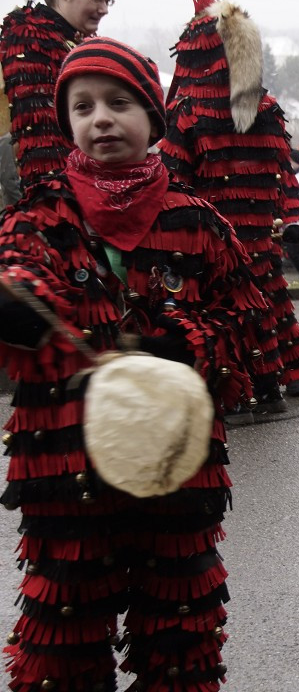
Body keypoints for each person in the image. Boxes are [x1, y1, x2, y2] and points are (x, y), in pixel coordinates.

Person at [0, 36, 265, 692]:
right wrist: (24, 310)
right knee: (65, 643)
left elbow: (241, 327)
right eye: (83, 107)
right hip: (67, 471)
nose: (100, 118)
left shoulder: (199, 222)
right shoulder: (37, 218)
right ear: (67, 123)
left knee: (179, 640)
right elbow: (18, 281)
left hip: (179, 468)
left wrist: (186, 345)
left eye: (119, 103)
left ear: (154, 117)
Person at [160, 0, 299, 405]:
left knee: (230, 309)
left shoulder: (186, 113)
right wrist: (293, 217)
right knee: (266, 303)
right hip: (255, 240)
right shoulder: (268, 111)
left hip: (215, 241)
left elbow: (171, 184)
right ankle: (275, 381)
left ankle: (254, 385)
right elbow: (286, 177)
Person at [1, 0, 116, 188]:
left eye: (107, 0)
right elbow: (42, 141)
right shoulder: (31, 35)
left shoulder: (76, 40)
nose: (104, 9)